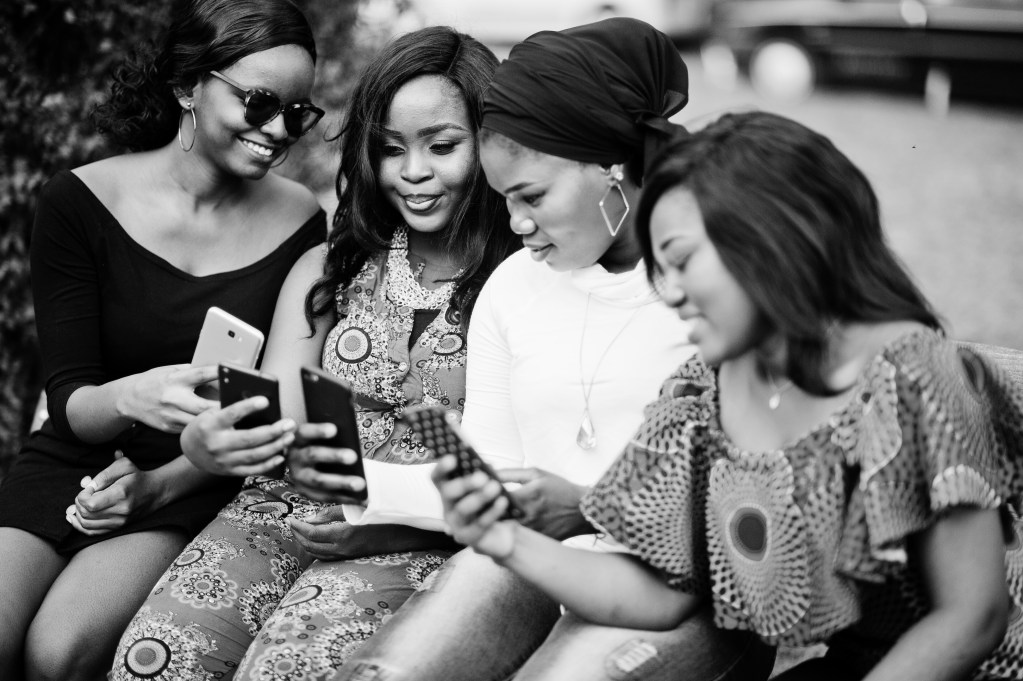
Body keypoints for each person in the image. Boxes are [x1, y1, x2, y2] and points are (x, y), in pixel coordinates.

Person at [436, 110, 1023, 681]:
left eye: (684, 261)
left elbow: (971, 618)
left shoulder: (915, 375)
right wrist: (506, 541)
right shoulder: (700, 395)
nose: (672, 291)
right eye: (661, 268)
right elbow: (658, 597)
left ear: (773, 239)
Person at [335, 17, 775, 681]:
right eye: (504, 198)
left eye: (532, 195)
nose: (516, 224)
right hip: (534, 561)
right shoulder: (514, 287)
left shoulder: (716, 288)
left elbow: (764, 505)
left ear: (613, 168)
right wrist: (359, 481)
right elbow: (493, 472)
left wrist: (589, 503)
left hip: (687, 587)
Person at [110, 26, 519, 680]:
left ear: (492, 142)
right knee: (160, 656)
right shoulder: (333, 267)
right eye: (389, 149)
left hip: (420, 533)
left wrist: (386, 517)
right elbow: (276, 417)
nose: (412, 173)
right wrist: (211, 444)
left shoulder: (521, 279)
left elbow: (513, 472)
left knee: (288, 666)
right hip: (283, 508)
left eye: (441, 146)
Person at [0, 0, 326, 679]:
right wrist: (138, 392)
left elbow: (272, 411)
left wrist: (158, 482)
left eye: (297, 113)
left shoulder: (300, 221)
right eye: (260, 102)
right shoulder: (79, 202)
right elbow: (71, 402)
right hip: (73, 459)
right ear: (187, 85)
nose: (278, 131)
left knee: (57, 652)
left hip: (193, 477)